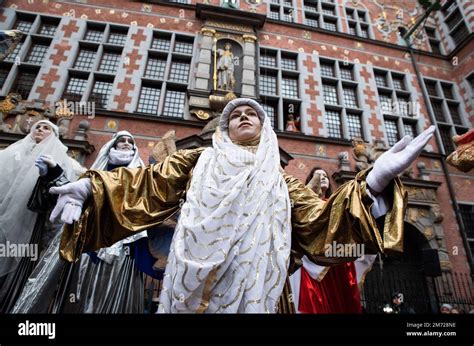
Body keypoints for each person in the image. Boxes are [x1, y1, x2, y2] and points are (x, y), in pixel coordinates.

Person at [50, 98, 435, 313]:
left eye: (252, 113)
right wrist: (91, 188)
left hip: (262, 297)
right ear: (225, 128)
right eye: (235, 115)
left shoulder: (281, 182)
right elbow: (147, 184)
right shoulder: (198, 161)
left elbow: (322, 223)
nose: (244, 117)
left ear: (265, 128)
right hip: (191, 289)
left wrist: (373, 181)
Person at [13, 131, 153, 313]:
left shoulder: (141, 177)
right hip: (89, 242)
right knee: (79, 293)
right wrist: (54, 171)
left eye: (130, 141)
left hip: (124, 246)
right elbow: (73, 190)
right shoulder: (94, 173)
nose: (126, 143)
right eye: (121, 141)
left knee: (114, 297)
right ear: (113, 146)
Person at [0, 120, 84, 313]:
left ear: (54, 134)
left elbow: (64, 191)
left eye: (46, 127)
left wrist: (49, 175)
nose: (40, 129)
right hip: (3, 217)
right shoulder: (12, 153)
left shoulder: (62, 159)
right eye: (37, 126)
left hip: (30, 223)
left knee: (18, 264)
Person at [288, 168, 376, 313]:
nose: (322, 177)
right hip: (311, 260)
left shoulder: (335, 204)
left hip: (336, 261)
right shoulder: (304, 204)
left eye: (325, 175)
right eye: (317, 175)